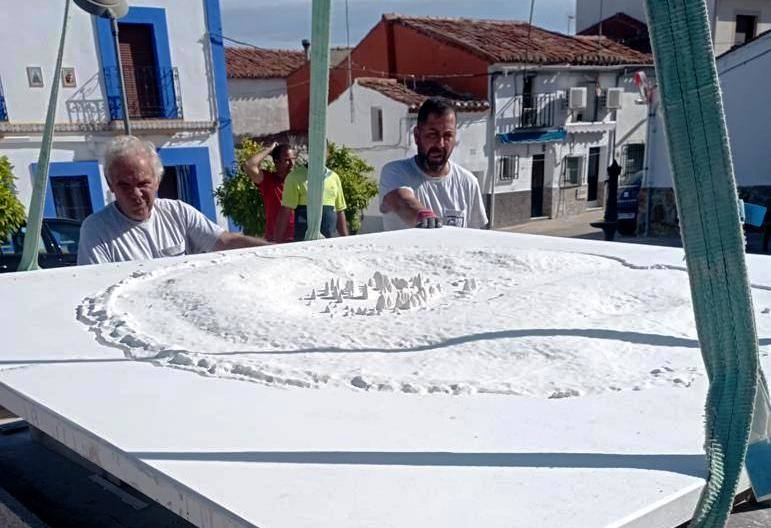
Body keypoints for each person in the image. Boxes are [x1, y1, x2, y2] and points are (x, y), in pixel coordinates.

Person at [78, 136, 269, 265]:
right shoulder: (96, 230)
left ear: (157, 181)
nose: (136, 193)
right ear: (110, 184)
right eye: (124, 185)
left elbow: (225, 241)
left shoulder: (178, 212)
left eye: (143, 183)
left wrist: (276, 250)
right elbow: (98, 288)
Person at [379, 97, 488, 230]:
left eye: (447, 136)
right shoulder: (395, 172)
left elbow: (474, 235)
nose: (440, 144)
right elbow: (401, 201)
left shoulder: (468, 182)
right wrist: (423, 216)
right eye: (432, 134)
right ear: (417, 136)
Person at [274, 164, 349, 242]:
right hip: (304, 242)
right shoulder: (294, 177)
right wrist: (277, 242)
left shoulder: (334, 177)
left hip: (329, 242)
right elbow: (285, 211)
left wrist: (347, 240)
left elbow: (340, 210)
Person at [243, 142, 295, 242]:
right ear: (276, 162)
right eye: (287, 160)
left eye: (293, 159)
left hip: (298, 239)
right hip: (275, 240)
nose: (292, 164)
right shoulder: (268, 180)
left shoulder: (299, 180)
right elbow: (249, 165)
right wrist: (269, 149)